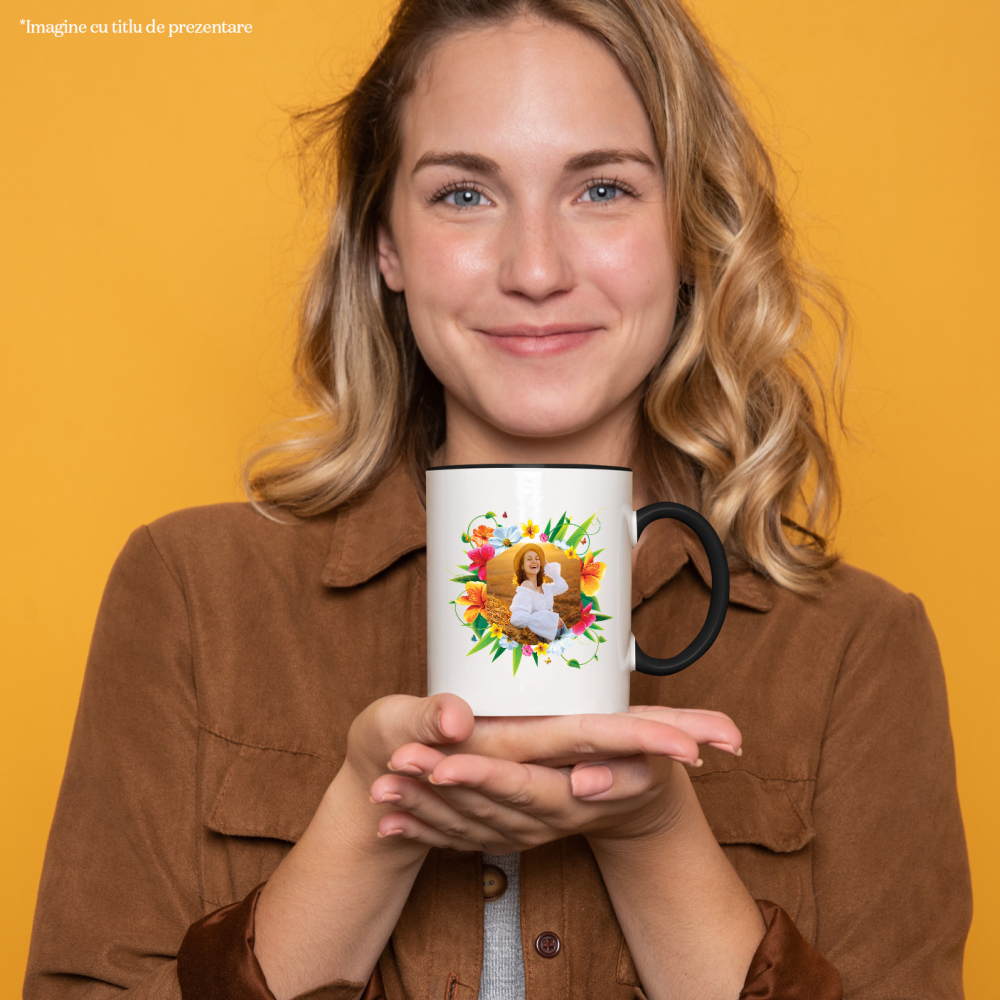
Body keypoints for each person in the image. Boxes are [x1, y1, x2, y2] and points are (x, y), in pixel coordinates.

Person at [24, 0, 971, 998]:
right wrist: (371, 818)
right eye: (464, 195)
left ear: (691, 230)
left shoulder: (857, 647)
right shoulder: (191, 594)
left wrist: (648, 830)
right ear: (384, 242)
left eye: (601, 188)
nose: (534, 270)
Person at [507, 544, 569, 642]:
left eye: (537, 558)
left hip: (557, 630)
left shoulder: (545, 587)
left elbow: (563, 586)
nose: (534, 561)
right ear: (522, 566)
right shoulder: (526, 585)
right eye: (529, 559)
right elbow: (517, 618)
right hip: (548, 635)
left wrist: (548, 569)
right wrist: (550, 618)